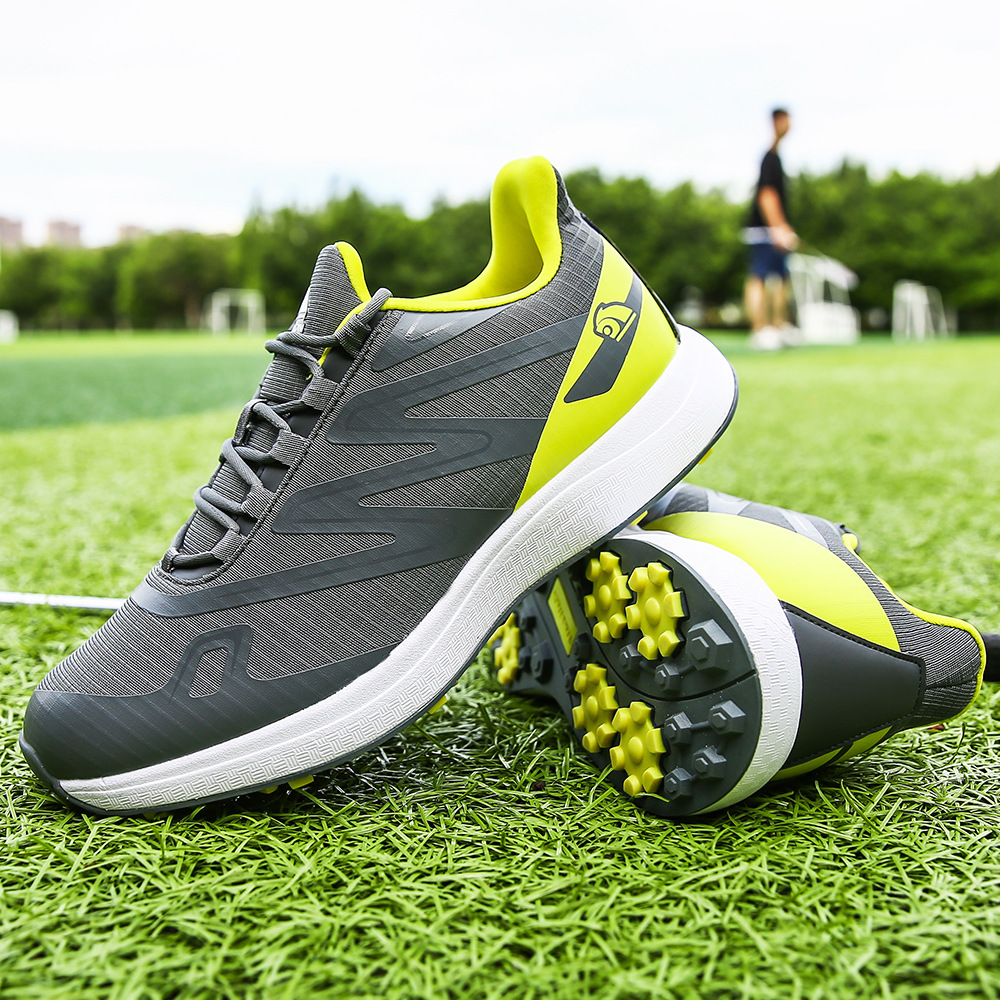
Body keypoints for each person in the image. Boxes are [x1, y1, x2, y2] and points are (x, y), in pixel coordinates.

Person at [744, 108, 798, 350]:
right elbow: (766, 195)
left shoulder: (777, 157)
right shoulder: (769, 158)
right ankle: (759, 330)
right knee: (759, 278)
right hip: (764, 231)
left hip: (774, 230)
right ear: (776, 122)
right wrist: (779, 228)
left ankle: (778, 327)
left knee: (781, 280)